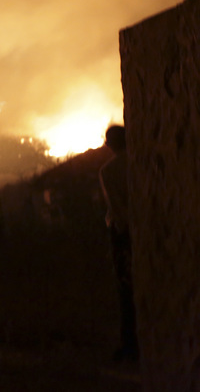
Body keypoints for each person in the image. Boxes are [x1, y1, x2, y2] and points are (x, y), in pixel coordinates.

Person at [99, 124, 138, 362]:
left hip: (123, 234)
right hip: (143, 227)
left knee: (125, 288)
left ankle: (130, 345)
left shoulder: (108, 170)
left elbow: (116, 208)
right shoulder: (139, 161)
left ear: (109, 144)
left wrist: (123, 231)